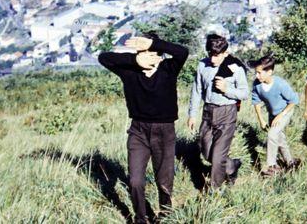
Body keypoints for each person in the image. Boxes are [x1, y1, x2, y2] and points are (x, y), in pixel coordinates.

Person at [98, 33, 188, 224]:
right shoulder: (130, 71)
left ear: (157, 53)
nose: (145, 55)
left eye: (148, 51)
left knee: (164, 180)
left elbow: (182, 52)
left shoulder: (168, 69)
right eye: (141, 52)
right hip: (138, 131)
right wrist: (134, 60)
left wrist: (154, 43)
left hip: (164, 131)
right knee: (135, 181)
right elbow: (103, 57)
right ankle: (141, 218)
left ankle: (165, 214)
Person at [187, 34, 249, 188]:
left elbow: (244, 93)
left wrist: (227, 89)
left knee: (217, 156)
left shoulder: (235, 68)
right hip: (208, 112)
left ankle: (215, 190)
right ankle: (231, 166)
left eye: (217, 55)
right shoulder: (203, 65)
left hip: (227, 112)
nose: (213, 59)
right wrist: (192, 114)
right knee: (206, 151)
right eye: (210, 54)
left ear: (225, 53)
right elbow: (197, 90)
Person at [250, 53, 301, 177]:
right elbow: (256, 102)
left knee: (272, 134)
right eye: (256, 72)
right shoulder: (257, 85)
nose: (257, 75)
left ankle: (272, 166)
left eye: (259, 73)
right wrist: (261, 120)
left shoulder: (280, 84)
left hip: (285, 112)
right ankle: (290, 162)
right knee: (279, 138)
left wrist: (281, 115)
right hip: (272, 114)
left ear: (270, 72)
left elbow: (294, 101)